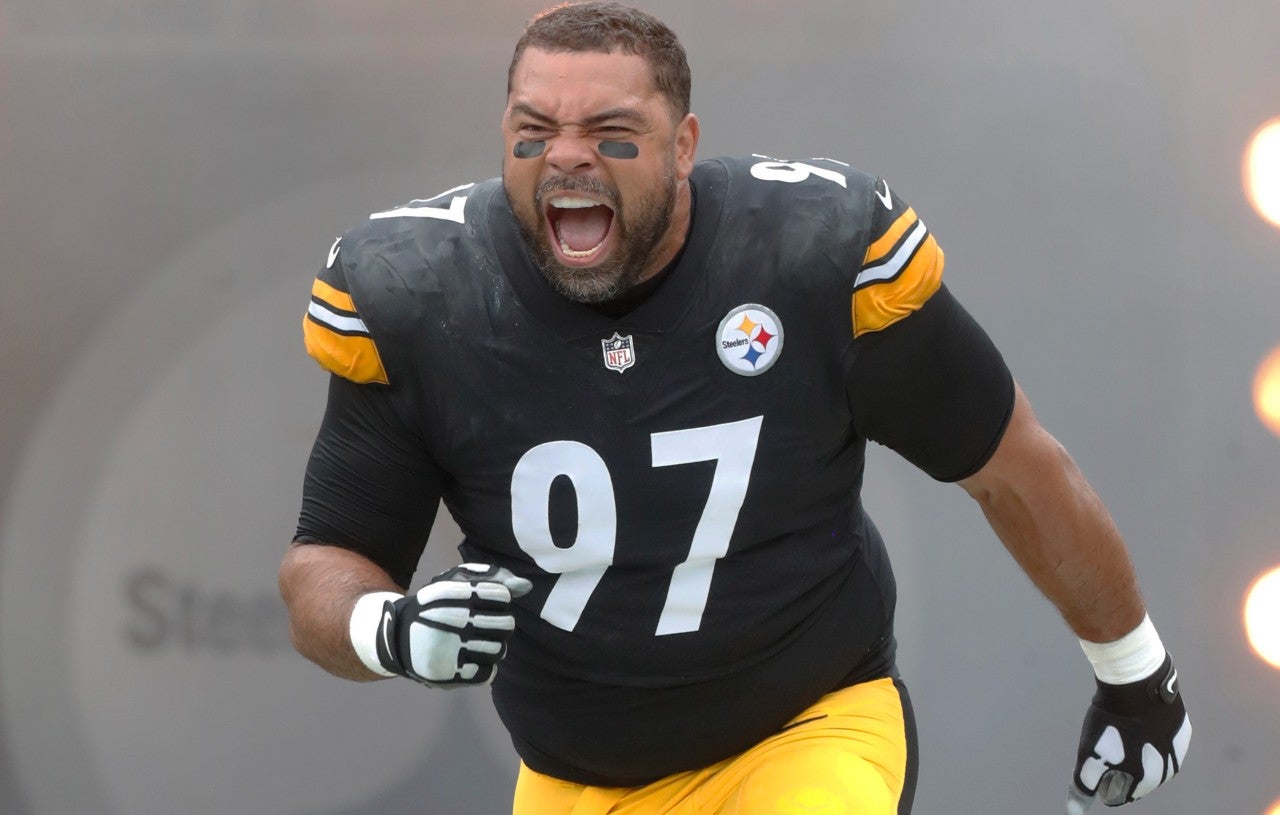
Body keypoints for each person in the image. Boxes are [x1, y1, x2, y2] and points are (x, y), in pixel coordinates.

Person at [278, 3, 1191, 813]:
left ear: (683, 146)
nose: (566, 156)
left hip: (805, 729)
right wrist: (388, 629)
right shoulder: (421, 295)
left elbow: (1013, 467)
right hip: (573, 777)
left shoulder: (808, 256)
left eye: (610, 130)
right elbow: (326, 559)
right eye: (535, 129)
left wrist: (1135, 673)